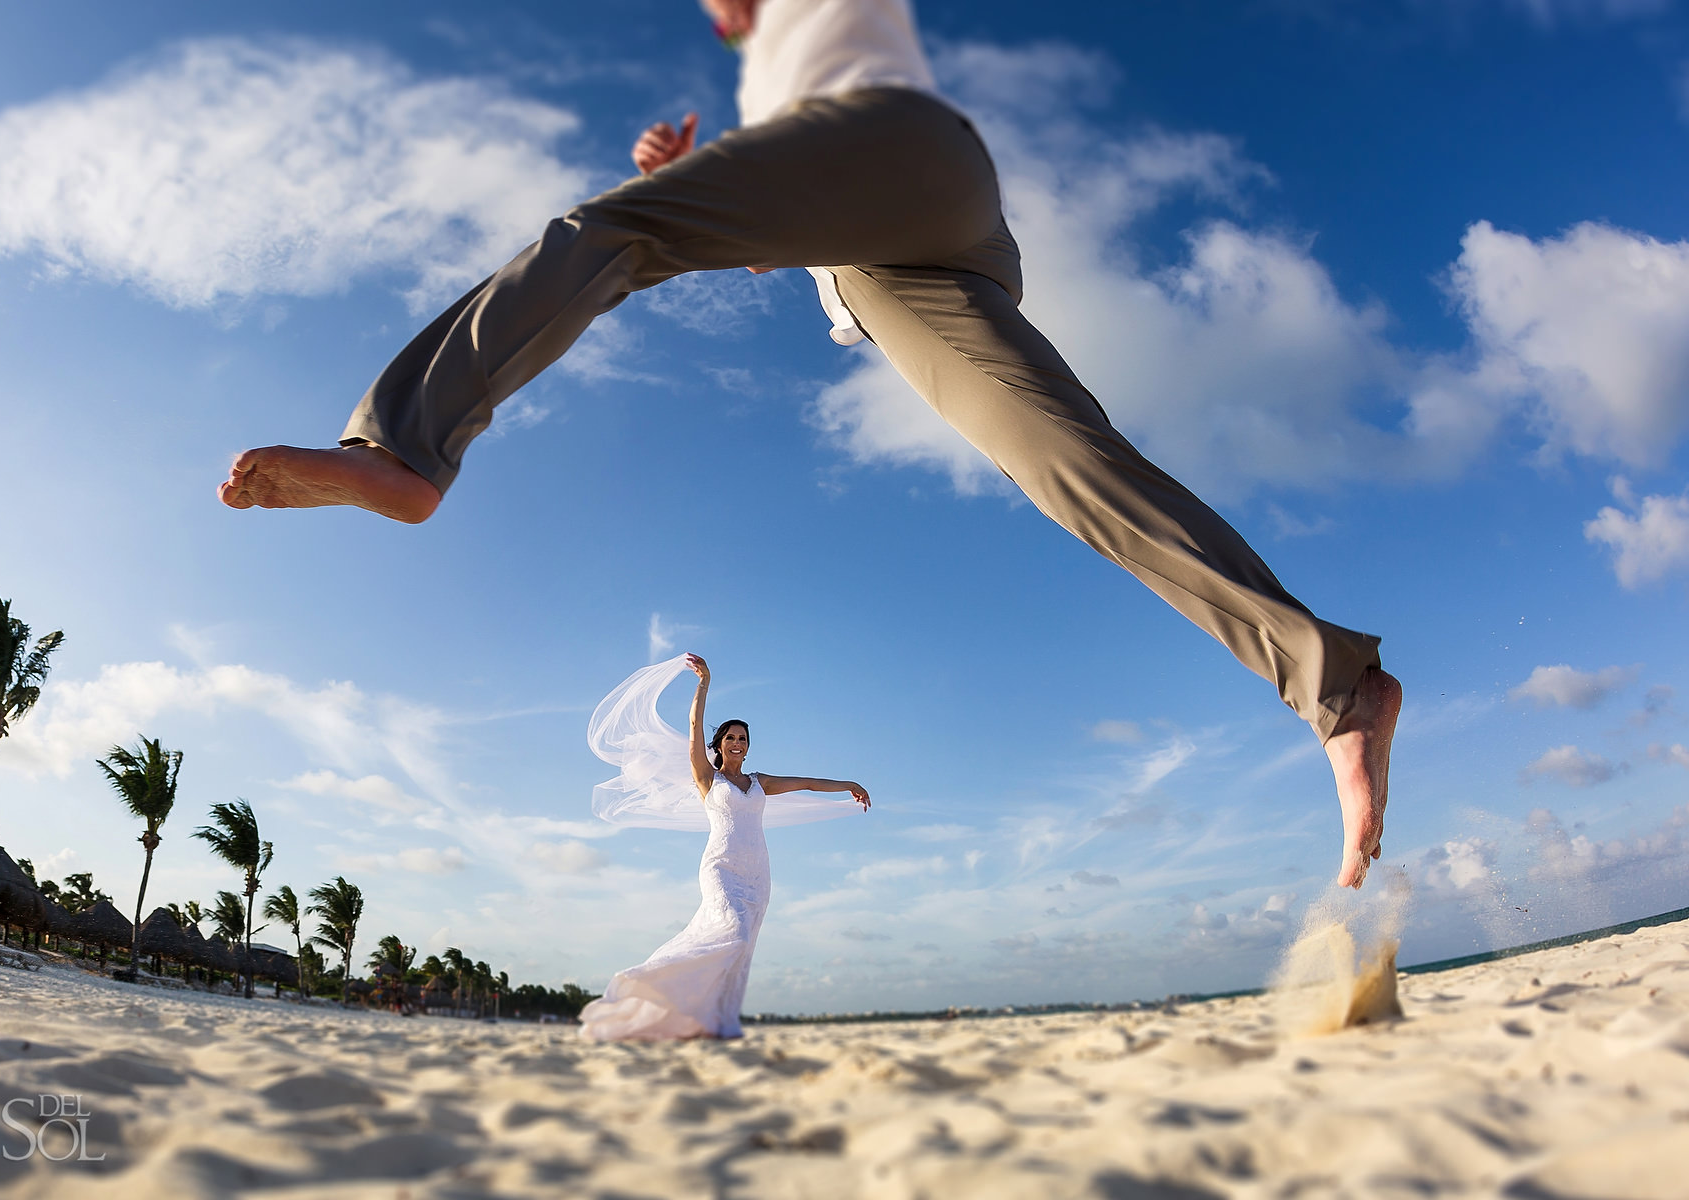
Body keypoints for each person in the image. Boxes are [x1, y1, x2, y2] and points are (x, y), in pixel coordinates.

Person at [217, 0, 1399, 889]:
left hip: (901, 154)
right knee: (1066, 469)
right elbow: (770, 240)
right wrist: (700, 182)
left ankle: (404, 444)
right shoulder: (770, 89)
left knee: (605, 232)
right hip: (899, 262)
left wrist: (676, 201)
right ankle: (1337, 686)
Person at [578, 653, 869, 1040]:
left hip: (758, 874)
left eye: (743, 739)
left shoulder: (760, 782)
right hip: (720, 868)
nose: (737, 742)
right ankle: (649, 984)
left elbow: (806, 782)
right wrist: (704, 684)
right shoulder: (706, 778)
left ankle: (712, 1022)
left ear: (748, 749)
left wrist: (847, 785)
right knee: (731, 931)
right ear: (720, 744)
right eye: (730, 737)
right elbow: (694, 725)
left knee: (741, 950)